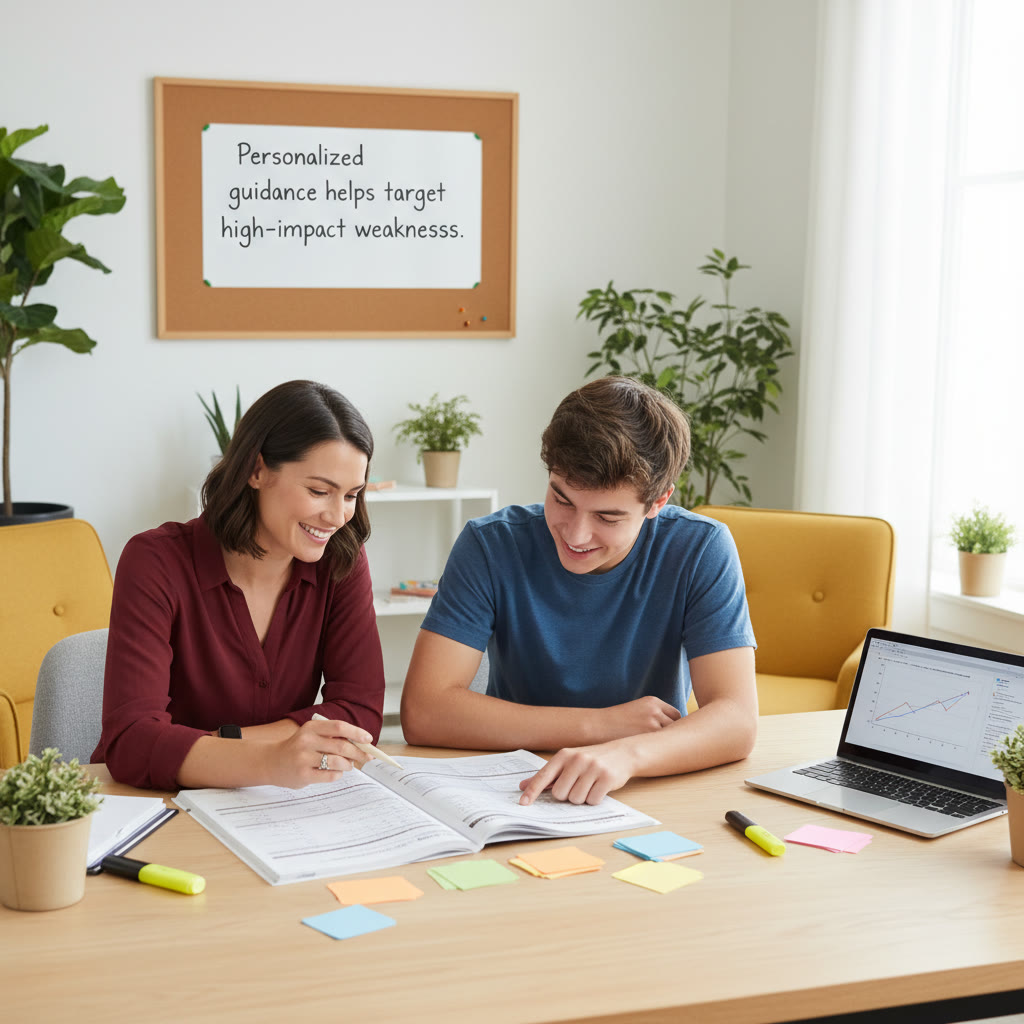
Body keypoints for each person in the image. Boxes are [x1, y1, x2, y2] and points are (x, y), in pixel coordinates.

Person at [400, 376, 758, 806]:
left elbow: (737, 719)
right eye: (562, 498)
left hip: (644, 781)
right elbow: (424, 713)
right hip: (514, 786)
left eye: (608, 517)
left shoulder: (700, 548)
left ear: (657, 503)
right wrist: (599, 726)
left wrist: (626, 754)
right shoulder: (490, 544)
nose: (576, 533)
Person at [94, 380, 386, 791]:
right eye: (319, 491)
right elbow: (131, 742)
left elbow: (359, 713)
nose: (337, 517)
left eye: (352, 495)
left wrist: (219, 748)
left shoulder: (342, 562)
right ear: (257, 470)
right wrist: (269, 760)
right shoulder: (155, 561)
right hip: (160, 805)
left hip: (280, 808)